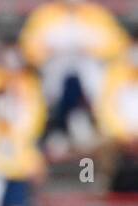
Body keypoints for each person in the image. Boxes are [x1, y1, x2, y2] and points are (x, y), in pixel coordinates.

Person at [20, 0, 127, 155]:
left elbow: (117, 45)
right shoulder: (45, 15)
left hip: (89, 66)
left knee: (96, 82)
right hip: (55, 67)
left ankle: (90, 124)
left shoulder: (97, 15)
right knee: (53, 86)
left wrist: (90, 48)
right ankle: (58, 128)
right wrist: (49, 50)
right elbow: (29, 48)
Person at [95, 44, 138, 192]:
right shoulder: (115, 76)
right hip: (120, 136)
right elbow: (106, 110)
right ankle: (104, 186)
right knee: (104, 146)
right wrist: (124, 135)